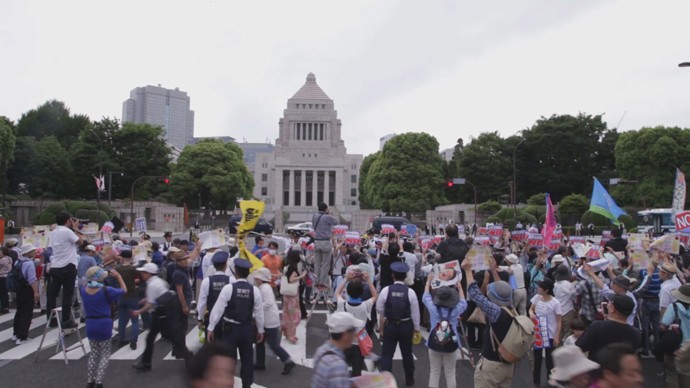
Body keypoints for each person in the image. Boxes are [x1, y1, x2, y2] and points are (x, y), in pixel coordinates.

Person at [207, 259, 264, 388]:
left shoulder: (228, 288)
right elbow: (259, 314)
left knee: (228, 361)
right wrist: (260, 330)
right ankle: (246, 385)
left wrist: (211, 328)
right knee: (247, 360)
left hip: (230, 330)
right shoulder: (254, 290)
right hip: (246, 329)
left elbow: (218, 310)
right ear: (248, 273)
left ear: (236, 272)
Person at [461, 258, 516, 388]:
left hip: (492, 364)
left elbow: (475, 295)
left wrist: (468, 271)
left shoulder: (496, 312)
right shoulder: (512, 309)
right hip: (509, 365)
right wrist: (492, 270)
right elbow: (502, 289)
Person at [132, 263, 192, 371]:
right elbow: (163, 294)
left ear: (148, 273)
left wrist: (139, 311)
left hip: (161, 313)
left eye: (143, 272)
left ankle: (189, 357)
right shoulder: (159, 281)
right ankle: (146, 362)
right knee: (156, 338)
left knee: (170, 338)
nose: (141, 274)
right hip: (166, 311)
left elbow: (150, 304)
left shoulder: (151, 285)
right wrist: (148, 300)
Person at [375, 261, 420, 386]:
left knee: (387, 353)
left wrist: (386, 316)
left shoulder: (386, 290)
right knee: (407, 353)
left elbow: (379, 308)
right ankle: (409, 379)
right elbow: (415, 312)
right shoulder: (410, 292)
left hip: (390, 325)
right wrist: (416, 328)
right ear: (405, 276)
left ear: (392, 275)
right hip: (406, 325)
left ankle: (386, 380)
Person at [81, 266, 126, 388]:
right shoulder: (106, 290)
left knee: (94, 353)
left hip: (90, 323)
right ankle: (99, 382)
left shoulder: (83, 290)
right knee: (105, 354)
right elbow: (123, 290)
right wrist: (119, 277)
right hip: (104, 323)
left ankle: (90, 380)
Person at [422, 277, 467, 388]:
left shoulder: (433, 308)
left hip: (434, 342)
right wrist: (460, 288)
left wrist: (428, 281)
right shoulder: (456, 309)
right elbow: (463, 302)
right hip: (451, 342)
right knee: (450, 373)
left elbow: (425, 296)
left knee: (434, 372)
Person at [253, 267, 296, 375]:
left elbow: (268, 302)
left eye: (257, 277)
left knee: (272, 344)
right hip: (268, 320)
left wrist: (256, 309)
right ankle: (260, 362)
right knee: (260, 341)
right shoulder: (264, 287)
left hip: (269, 321)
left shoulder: (264, 288)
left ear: (261, 278)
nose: (256, 279)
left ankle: (288, 360)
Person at [335, 269, 378, 376]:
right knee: (357, 372)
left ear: (348, 291)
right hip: (359, 344)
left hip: (344, 343)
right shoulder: (365, 305)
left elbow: (337, 293)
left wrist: (346, 279)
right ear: (362, 292)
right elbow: (375, 296)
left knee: (341, 370)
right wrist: (368, 280)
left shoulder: (342, 304)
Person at [575, 294, 641, 361]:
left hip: (598, 369)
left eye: (609, 303)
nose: (607, 305)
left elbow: (578, 349)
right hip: (620, 370)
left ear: (613, 309)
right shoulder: (635, 333)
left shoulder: (597, 326)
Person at [47, 212, 84, 327]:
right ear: (68, 220)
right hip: (68, 265)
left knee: (52, 294)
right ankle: (66, 320)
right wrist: (76, 228)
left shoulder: (53, 232)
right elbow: (81, 242)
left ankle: (51, 318)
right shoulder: (67, 231)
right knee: (67, 294)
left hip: (55, 266)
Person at [311, 312, 365, 388]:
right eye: (354, 330)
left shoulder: (321, 350)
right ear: (345, 334)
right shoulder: (338, 366)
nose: (355, 334)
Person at [529, 277, 562, 387]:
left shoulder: (555, 303)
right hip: (538, 333)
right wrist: (531, 313)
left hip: (550, 334)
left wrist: (557, 336)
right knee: (537, 360)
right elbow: (531, 308)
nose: (538, 288)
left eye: (540, 287)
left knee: (549, 361)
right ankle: (536, 382)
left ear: (546, 289)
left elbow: (559, 320)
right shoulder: (537, 298)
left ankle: (550, 382)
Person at [196, 251, 231, 341]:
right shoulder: (231, 280)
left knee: (211, 349)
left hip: (211, 319)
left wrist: (200, 319)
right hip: (227, 321)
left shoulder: (207, 281)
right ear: (225, 265)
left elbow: (202, 302)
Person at [661, 283, 690, 388]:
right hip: (689, 348)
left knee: (672, 373)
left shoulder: (674, 307)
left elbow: (664, 323)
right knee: (686, 374)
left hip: (675, 345)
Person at [13, 244, 39, 345]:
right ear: (28, 253)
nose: (34, 252)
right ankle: (23, 337)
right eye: (33, 250)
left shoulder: (18, 262)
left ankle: (16, 334)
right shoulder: (29, 264)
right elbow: (32, 279)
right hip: (27, 289)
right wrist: (36, 292)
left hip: (19, 288)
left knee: (19, 311)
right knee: (27, 312)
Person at [115, 250, 140, 349]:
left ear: (123, 257)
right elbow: (139, 280)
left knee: (122, 319)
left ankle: (122, 338)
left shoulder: (116, 268)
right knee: (135, 320)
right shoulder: (134, 269)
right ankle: (133, 341)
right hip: (132, 295)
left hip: (120, 296)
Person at [312, 202, 339, 290]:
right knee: (325, 264)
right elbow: (336, 222)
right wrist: (330, 214)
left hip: (317, 241)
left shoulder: (315, 216)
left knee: (317, 264)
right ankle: (322, 282)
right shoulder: (327, 217)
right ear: (325, 209)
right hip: (325, 241)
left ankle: (316, 281)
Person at [282, 250, 306, 344]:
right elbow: (291, 280)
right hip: (293, 295)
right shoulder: (292, 267)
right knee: (294, 315)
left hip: (286, 294)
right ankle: (291, 335)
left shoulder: (286, 267)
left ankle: (286, 333)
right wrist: (302, 276)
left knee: (286, 314)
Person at [553, 264, 576, 341]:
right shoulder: (569, 285)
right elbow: (574, 297)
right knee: (568, 333)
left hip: (557, 312)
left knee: (559, 333)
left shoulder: (555, 284)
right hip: (568, 310)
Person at [0, 247, 12, 314]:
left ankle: (4, 307)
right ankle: (6, 306)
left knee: (2, 293)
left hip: (2, 276)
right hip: (7, 276)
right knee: (5, 293)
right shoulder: (9, 258)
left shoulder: (3, 260)